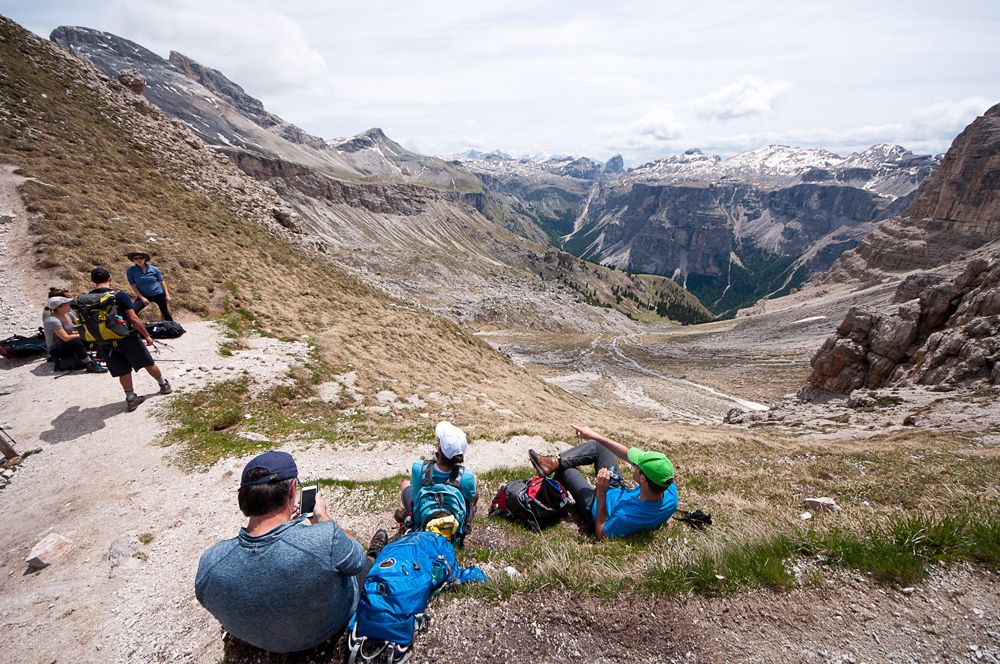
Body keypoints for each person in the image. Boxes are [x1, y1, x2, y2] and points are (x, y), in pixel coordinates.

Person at [195, 451, 389, 657]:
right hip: (326, 628)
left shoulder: (211, 562)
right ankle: (375, 553)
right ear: (292, 490)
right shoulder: (325, 539)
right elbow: (355, 561)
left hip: (259, 638)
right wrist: (324, 520)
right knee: (361, 562)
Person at [528, 426, 677, 540]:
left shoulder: (627, 515)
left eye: (636, 466)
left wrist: (601, 493)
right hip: (617, 490)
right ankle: (552, 462)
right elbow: (627, 455)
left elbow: (600, 533)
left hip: (597, 505)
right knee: (600, 447)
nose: (632, 464)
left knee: (566, 471)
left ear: (643, 479)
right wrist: (593, 435)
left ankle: (549, 498)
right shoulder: (668, 491)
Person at [86, 266, 170, 411]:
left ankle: (130, 398)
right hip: (127, 337)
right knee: (147, 363)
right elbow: (134, 318)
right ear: (110, 278)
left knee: (123, 370)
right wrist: (147, 335)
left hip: (104, 341)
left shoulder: (86, 299)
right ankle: (163, 385)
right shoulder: (118, 295)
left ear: (93, 281)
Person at [397, 421, 478, 542]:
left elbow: (415, 493)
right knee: (474, 481)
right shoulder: (466, 477)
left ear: (439, 447)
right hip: (452, 523)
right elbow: (472, 497)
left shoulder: (419, 468)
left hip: (424, 519)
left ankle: (411, 516)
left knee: (405, 484)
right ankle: (464, 521)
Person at [42, 296, 105, 373]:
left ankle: (103, 355)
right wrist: (83, 334)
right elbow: (66, 338)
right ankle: (89, 363)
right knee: (76, 341)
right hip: (57, 348)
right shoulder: (53, 320)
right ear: (58, 308)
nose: (69, 304)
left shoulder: (68, 314)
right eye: (66, 304)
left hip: (68, 343)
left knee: (92, 336)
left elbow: (78, 326)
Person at [125, 250, 173, 321]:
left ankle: (173, 329)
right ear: (133, 260)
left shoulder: (154, 269)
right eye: (136, 258)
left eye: (140, 258)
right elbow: (132, 285)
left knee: (165, 312)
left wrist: (167, 294)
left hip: (158, 294)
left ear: (145, 259)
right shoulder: (131, 271)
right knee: (133, 311)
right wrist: (141, 298)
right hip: (143, 295)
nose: (138, 260)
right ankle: (136, 329)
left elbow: (162, 282)